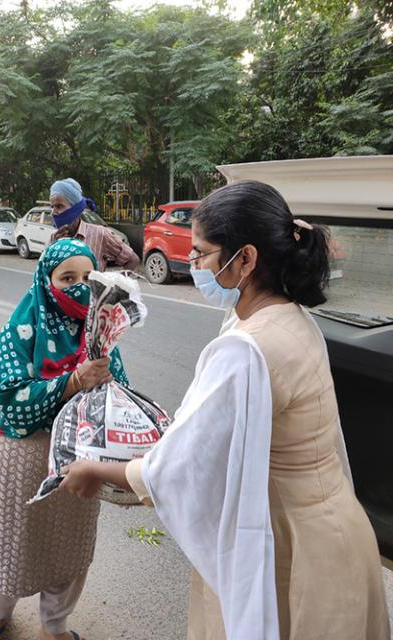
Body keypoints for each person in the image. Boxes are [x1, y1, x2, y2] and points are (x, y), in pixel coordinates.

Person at [58, 181, 390, 640]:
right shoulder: (295, 319)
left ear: (246, 259)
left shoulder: (245, 349)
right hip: (339, 538)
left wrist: (94, 468)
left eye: (200, 254)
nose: (193, 265)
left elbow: (177, 470)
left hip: (290, 554)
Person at [0, 238, 128, 640]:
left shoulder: (101, 331)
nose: (78, 287)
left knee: (70, 548)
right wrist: (72, 382)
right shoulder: (19, 330)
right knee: (14, 542)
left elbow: (119, 397)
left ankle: (53, 625)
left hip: (79, 460)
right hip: (23, 454)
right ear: (47, 280)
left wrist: (107, 384)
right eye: (67, 277)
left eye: (87, 278)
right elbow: (10, 402)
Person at [49, 178, 140, 272]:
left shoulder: (100, 234)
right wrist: (52, 250)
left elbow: (132, 260)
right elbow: (44, 277)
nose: (53, 212)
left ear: (76, 209)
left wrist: (113, 284)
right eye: (52, 207)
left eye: (59, 206)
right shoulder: (53, 239)